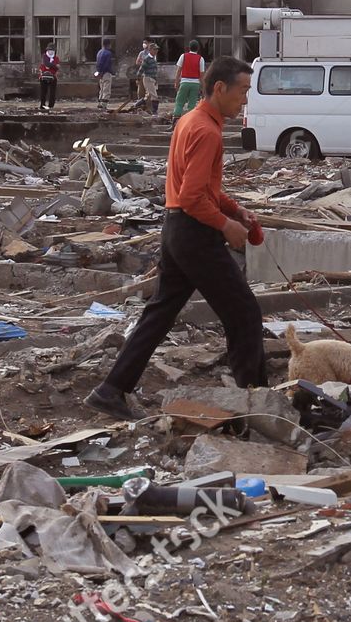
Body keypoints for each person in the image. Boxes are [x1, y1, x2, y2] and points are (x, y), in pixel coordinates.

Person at [85, 56, 266, 420]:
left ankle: (111, 389)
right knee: (244, 313)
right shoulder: (207, 131)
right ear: (219, 88)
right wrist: (226, 225)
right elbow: (193, 197)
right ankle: (257, 405)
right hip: (194, 233)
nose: (245, 100)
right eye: (243, 91)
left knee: (161, 312)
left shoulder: (190, 121)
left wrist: (235, 211)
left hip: (177, 229)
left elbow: (200, 190)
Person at [173, 41, 206, 121]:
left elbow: (178, 70)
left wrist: (176, 82)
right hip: (195, 84)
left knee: (179, 102)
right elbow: (202, 75)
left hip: (184, 82)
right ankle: (190, 121)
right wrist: (203, 88)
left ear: (189, 48)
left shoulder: (183, 56)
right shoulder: (200, 59)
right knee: (192, 104)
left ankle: (175, 122)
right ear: (198, 48)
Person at [138, 40, 160, 116]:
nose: (156, 51)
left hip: (153, 79)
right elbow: (141, 69)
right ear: (150, 50)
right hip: (148, 78)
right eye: (154, 49)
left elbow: (155, 70)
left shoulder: (154, 58)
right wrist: (138, 78)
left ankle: (137, 105)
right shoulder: (147, 58)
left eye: (157, 49)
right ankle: (155, 112)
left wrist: (156, 79)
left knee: (148, 96)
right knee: (154, 96)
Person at [37, 46, 59, 110]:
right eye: (49, 50)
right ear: (47, 51)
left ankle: (51, 105)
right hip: (43, 77)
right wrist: (53, 65)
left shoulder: (56, 58)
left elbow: (57, 67)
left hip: (53, 76)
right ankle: (42, 105)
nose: (51, 52)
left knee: (52, 92)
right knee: (43, 92)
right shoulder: (44, 56)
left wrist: (51, 66)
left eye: (52, 50)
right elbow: (46, 64)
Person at [94, 40, 114, 110]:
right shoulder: (108, 53)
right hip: (106, 72)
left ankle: (99, 103)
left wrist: (99, 72)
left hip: (100, 73)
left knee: (101, 89)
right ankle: (104, 105)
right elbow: (107, 64)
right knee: (106, 89)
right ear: (108, 45)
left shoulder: (99, 52)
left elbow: (98, 63)